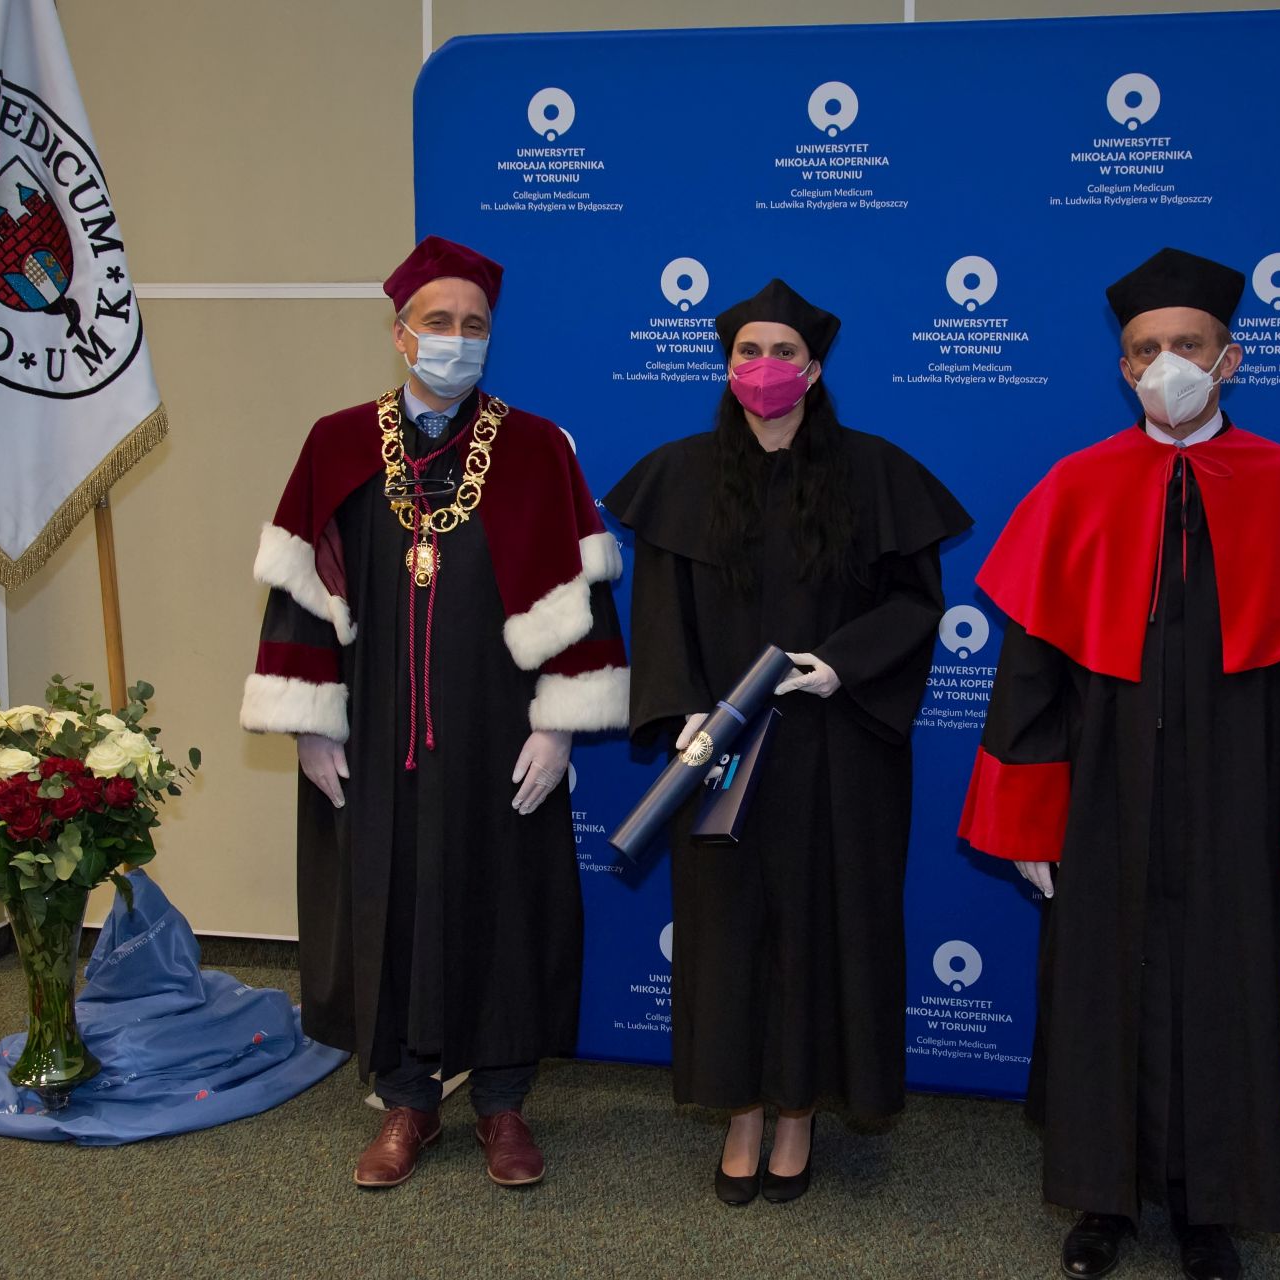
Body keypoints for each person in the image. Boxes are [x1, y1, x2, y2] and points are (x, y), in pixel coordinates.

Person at [958, 248, 1280, 1280]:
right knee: (1099, 983)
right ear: (1123, 368)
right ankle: (1100, 1198)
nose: (1167, 365)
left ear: (1231, 358)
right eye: (1146, 350)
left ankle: (1210, 1208)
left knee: (1227, 985)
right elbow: (1031, 674)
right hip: (1105, 784)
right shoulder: (1075, 487)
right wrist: (1027, 820)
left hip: (1242, 788)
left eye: (1187, 345)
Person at [239, 235, 628, 1190]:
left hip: (500, 727)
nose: (457, 339)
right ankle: (407, 1100)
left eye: (474, 325)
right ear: (401, 333)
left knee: (505, 898)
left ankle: (502, 1103)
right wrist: (310, 719)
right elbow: (303, 589)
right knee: (388, 896)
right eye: (438, 322)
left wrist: (559, 723)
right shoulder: (336, 443)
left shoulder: (536, 448)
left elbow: (579, 594)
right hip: (376, 729)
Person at [604, 278, 971, 1206]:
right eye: (747, 352)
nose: (764, 368)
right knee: (727, 934)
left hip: (840, 748)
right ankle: (740, 1110)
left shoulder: (875, 472)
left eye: (783, 353)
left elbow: (917, 603)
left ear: (813, 370)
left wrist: (842, 664)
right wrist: (683, 711)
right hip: (719, 751)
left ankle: (800, 1110)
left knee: (824, 926)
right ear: (727, 366)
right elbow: (659, 617)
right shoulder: (680, 475)